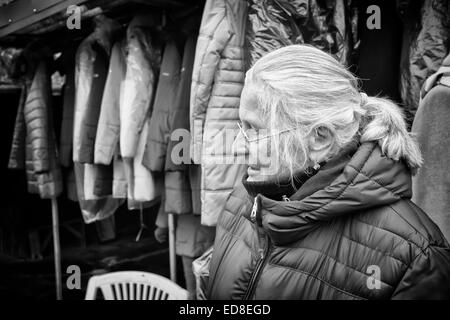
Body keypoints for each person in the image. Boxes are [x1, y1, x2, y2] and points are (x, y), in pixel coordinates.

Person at [206, 45, 450, 300]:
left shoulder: (415, 257)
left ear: (319, 139)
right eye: (240, 126)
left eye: (253, 130)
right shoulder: (241, 204)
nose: (236, 148)